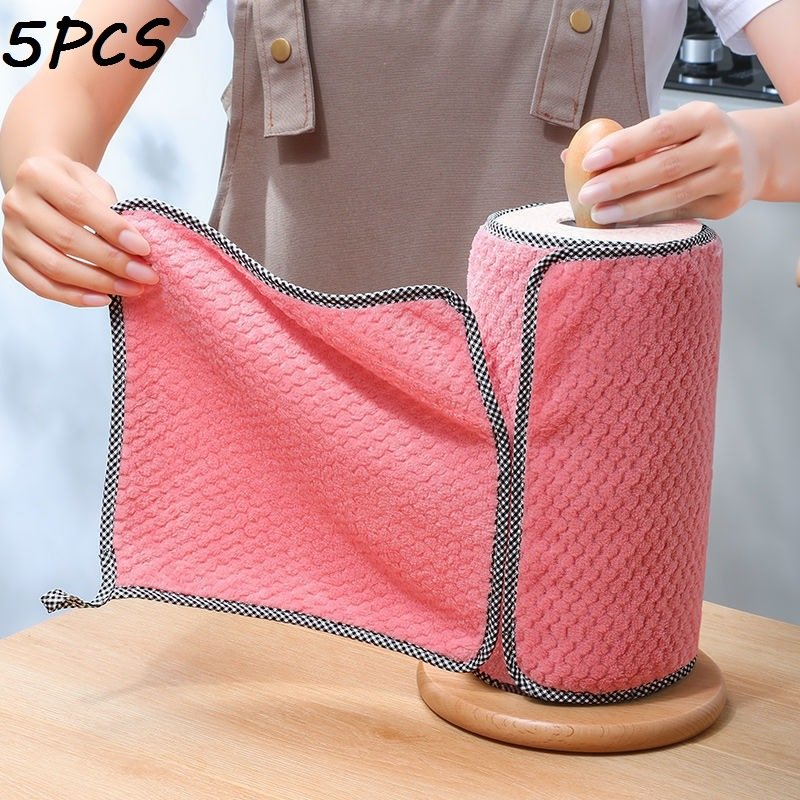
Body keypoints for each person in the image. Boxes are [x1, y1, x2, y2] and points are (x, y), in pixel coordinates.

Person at [1, 0, 798, 304]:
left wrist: (756, 150)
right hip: (270, 456)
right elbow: (70, 82)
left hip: (564, 467)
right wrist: (38, 174)